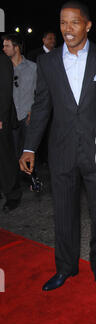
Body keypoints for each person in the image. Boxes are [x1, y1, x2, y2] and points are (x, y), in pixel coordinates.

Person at [19, 1, 96, 291]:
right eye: (62, 23)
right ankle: (65, 267)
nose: (67, 29)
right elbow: (42, 105)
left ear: (87, 25)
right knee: (63, 212)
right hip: (61, 149)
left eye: (74, 23)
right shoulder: (48, 62)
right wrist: (29, 147)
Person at [2, 34, 37, 160]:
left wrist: (33, 111)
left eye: (7, 46)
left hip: (27, 117)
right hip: (10, 118)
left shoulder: (33, 68)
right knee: (11, 154)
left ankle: (30, 177)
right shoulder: (3, 69)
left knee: (29, 151)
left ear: (16, 48)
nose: (4, 49)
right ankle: (13, 179)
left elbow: (39, 93)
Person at [0, 52, 22, 213]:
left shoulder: (2, 60)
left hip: (2, 118)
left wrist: (1, 117)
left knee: (5, 157)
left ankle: (13, 194)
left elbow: (5, 91)